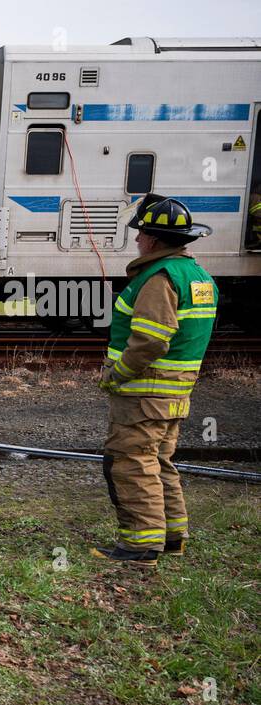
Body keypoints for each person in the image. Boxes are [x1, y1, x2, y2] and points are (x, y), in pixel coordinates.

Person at [93, 195, 217, 565]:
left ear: (156, 240)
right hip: (175, 392)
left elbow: (151, 339)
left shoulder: (159, 278)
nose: (137, 240)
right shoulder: (199, 277)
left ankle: (141, 545)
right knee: (160, 461)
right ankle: (173, 536)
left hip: (144, 392)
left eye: (142, 233)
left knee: (132, 463)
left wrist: (118, 374)